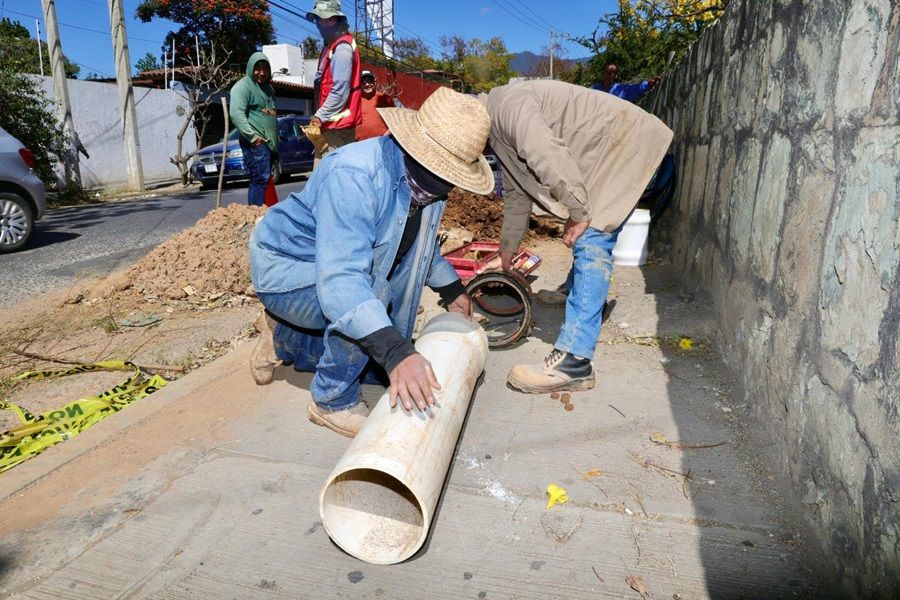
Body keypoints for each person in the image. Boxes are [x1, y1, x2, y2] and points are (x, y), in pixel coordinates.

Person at [248, 87, 494, 437]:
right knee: (373, 301)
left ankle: (283, 337)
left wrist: (453, 290)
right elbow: (343, 280)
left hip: (332, 270)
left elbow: (421, 247)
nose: (448, 183)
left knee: (374, 362)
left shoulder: (429, 188)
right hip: (287, 268)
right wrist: (395, 351)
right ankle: (331, 400)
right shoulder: (355, 174)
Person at [479, 80, 673, 394]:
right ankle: (577, 291)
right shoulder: (496, 125)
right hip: (613, 148)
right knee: (589, 224)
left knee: (592, 234)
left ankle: (575, 360)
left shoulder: (508, 106)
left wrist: (579, 211)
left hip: (627, 144)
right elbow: (517, 193)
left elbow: (546, 154)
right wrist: (506, 254)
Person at [306, 0, 361, 161]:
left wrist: (318, 117)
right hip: (330, 127)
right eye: (319, 19)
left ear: (338, 20)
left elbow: (340, 90)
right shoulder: (330, 46)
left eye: (329, 19)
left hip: (337, 129)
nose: (323, 24)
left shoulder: (342, 48)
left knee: (327, 174)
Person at [229, 52, 278, 206]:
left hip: (268, 144)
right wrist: (253, 137)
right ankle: (256, 215)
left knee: (265, 179)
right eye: (258, 68)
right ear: (250, 68)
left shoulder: (269, 88)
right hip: (255, 143)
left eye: (265, 69)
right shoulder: (242, 87)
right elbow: (236, 114)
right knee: (259, 179)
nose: (262, 73)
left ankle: (264, 213)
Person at [356, 70, 400, 141]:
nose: (367, 84)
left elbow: (395, 119)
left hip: (381, 142)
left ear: (374, 82)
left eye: (369, 81)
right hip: (360, 143)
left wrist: (387, 134)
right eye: (363, 82)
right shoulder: (355, 100)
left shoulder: (384, 98)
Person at [591, 63, 659, 103]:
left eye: (614, 73)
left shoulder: (620, 89)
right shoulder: (594, 90)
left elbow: (634, 89)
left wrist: (648, 84)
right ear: (603, 73)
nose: (611, 75)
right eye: (609, 72)